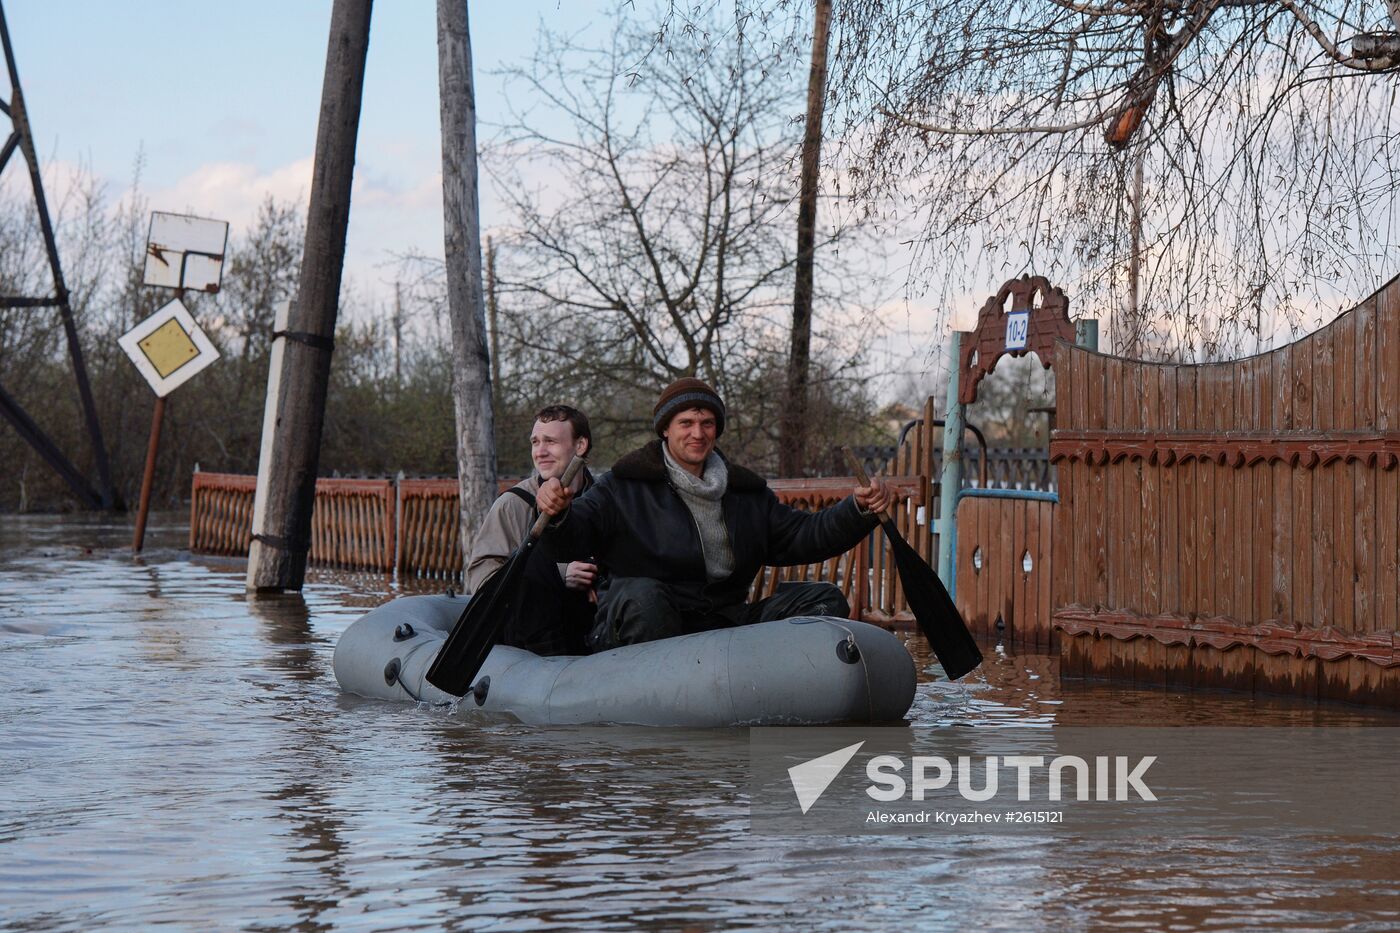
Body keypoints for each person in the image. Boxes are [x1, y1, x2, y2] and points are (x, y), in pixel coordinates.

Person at [536, 377, 892, 651]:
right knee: (644, 597)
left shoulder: (745, 493)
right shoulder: (623, 486)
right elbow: (575, 535)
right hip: (642, 627)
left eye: (707, 423)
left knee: (825, 599)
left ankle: (771, 685)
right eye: (686, 423)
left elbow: (804, 535)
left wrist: (858, 508)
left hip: (723, 624)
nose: (698, 433)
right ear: (665, 429)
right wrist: (558, 513)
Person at [466, 404, 599, 655]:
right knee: (533, 556)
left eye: (550, 441)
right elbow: (482, 579)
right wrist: (559, 575)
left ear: (580, 445)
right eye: (535, 442)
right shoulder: (512, 504)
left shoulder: (605, 499)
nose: (540, 452)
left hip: (592, 627)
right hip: (531, 640)